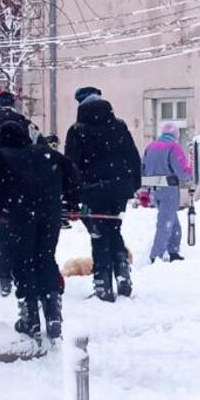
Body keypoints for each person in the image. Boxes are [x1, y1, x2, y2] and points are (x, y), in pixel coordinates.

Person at [0, 120, 79, 346]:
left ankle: (30, 316)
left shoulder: (1, 158)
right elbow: (72, 174)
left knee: (23, 263)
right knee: (45, 258)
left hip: (19, 217)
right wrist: (71, 201)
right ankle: (53, 311)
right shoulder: (47, 154)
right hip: (49, 216)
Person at [64, 86, 141, 301]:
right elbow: (133, 156)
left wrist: (72, 196)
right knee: (114, 228)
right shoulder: (119, 126)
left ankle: (103, 284)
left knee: (98, 234)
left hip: (92, 191)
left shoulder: (77, 130)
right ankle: (123, 272)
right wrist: (132, 185)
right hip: (119, 189)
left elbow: (71, 166)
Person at [0, 91, 44, 296]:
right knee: (25, 232)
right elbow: (40, 151)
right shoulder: (25, 125)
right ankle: (24, 273)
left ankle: (4, 278)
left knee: (3, 233)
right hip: (23, 186)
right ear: (13, 105)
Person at [142, 122, 193, 262]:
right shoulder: (173, 147)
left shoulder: (150, 147)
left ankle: (173, 251)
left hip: (154, 190)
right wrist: (192, 173)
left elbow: (143, 168)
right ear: (176, 134)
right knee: (165, 224)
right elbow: (182, 172)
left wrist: (144, 190)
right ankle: (155, 256)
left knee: (173, 222)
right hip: (168, 191)